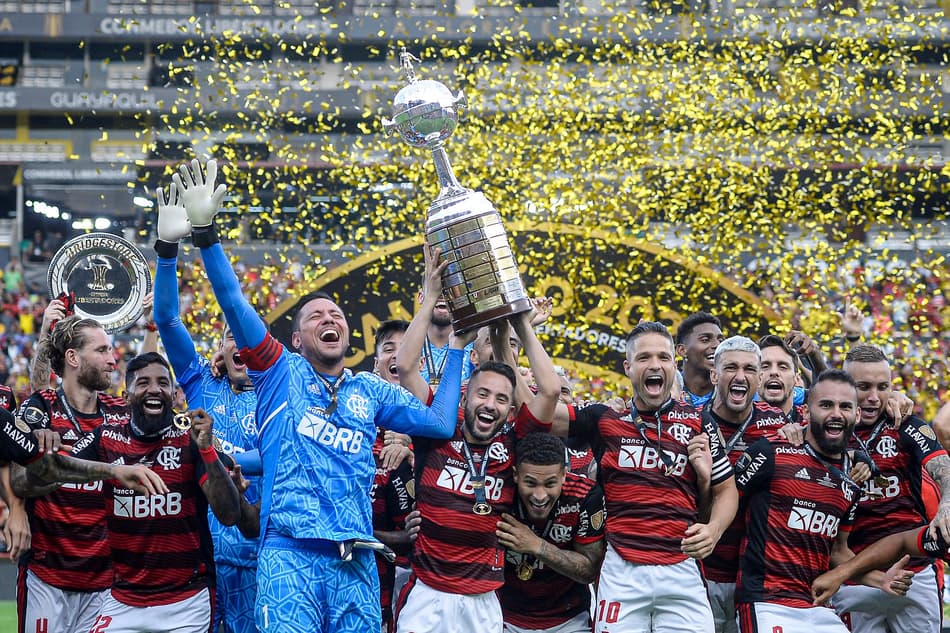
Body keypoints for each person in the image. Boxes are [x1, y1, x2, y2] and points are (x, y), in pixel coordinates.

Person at [176, 157, 465, 632]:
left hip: (356, 565)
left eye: (336, 314)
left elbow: (440, 424)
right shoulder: (278, 373)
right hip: (290, 556)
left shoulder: (369, 389)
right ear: (295, 340)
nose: (330, 319)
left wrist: (456, 346)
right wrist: (206, 234)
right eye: (315, 316)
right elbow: (234, 302)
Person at [393, 245, 562, 633]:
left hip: (483, 598)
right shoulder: (438, 428)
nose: (491, 404)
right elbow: (404, 366)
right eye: (483, 395)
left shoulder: (514, 439)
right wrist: (431, 297)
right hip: (428, 594)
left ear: (509, 409)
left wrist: (522, 324)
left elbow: (549, 391)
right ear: (465, 395)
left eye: (502, 399)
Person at [552, 321, 738, 633]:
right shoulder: (606, 420)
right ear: (628, 367)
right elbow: (539, 411)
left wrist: (714, 530)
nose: (655, 365)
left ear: (674, 364)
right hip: (622, 569)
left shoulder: (698, 422)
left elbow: (727, 491)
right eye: (644, 358)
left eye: (663, 358)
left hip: (681, 567)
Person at [153, 178, 261, 633]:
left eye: (245, 336)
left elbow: (282, 452)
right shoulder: (200, 383)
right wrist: (165, 251)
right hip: (209, 562)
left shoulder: (281, 392)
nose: (237, 342)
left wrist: (229, 456)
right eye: (228, 336)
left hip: (266, 557)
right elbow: (166, 319)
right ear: (219, 349)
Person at [69, 352, 242, 631]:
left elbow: (230, 514)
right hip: (124, 598)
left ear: (174, 396)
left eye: (163, 383)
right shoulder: (106, 438)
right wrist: (111, 471)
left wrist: (208, 449)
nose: (154, 389)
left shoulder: (190, 437)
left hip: (186, 600)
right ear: (126, 397)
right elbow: (55, 470)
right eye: (144, 383)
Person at [732, 369, 911, 633]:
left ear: (856, 415)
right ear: (805, 413)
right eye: (826, 405)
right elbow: (725, 501)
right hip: (768, 602)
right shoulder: (770, 452)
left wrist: (880, 579)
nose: (836, 414)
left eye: (845, 406)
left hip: (819, 606)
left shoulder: (852, 477)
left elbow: (838, 552)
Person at [10, 315, 130, 633]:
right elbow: (17, 481)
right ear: (73, 358)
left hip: (105, 581)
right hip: (47, 575)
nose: (112, 357)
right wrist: (42, 462)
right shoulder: (41, 409)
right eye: (102, 350)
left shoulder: (120, 414)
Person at [832, 344, 950, 633]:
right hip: (854, 574)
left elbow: (944, 468)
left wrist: (947, 503)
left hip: (915, 573)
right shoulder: (827, 429)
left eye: (882, 387)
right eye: (863, 387)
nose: (874, 397)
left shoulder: (906, 425)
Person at [700, 336, 791, 633]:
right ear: (714, 374)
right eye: (730, 368)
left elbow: (834, 409)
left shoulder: (781, 424)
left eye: (750, 369)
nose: (740, 376)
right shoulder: (691, 421)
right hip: (699, 571)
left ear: (760, 377)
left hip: (753, 579)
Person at [495, 432, 606, 633]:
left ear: (564, 475)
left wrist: (537, 546)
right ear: (515, 475)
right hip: (503, 617)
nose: (539, 496)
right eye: (530, 483)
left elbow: (589, 571)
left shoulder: (584, 495)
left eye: (550, 484)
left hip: (570, 620)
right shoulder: (498, 492)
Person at [675, 311, 724, 408]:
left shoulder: (736, 394)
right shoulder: (665, 393)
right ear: (682, 350)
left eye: (721, 340)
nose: (717, 345)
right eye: (705, 340)